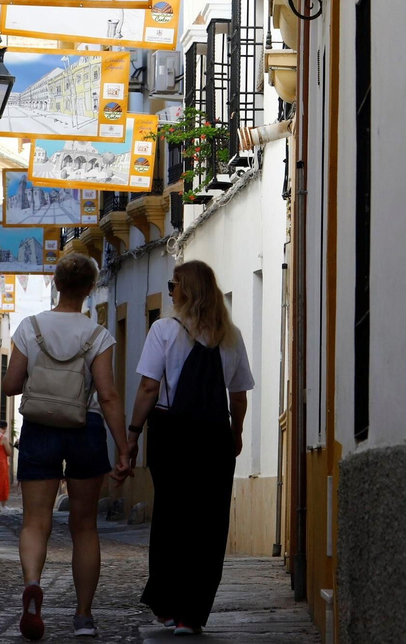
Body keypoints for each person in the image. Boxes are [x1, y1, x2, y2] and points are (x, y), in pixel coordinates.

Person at [1, 254, 132, 640]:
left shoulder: (29, 327)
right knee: (85, 525)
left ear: (55, 285)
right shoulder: (98, 336)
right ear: (91, 288)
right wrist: (123, 448)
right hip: (85, 428)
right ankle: (84, 616)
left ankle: (31, 584)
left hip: (40, 427)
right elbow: (107, 395)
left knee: (34, 521)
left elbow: (10, 385)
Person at [126, 260, 255, 636]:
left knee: (172, 516)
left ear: (185, 290)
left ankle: (167, 604)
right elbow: (239, 395)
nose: (170, 291)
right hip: (214, 436)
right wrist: (236, 431)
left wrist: (133, 434)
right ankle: (193, 613)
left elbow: (150, 388)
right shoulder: (230, 336)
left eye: (173, 284)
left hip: (172, 434)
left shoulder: (164, 330)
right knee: (209, 522)